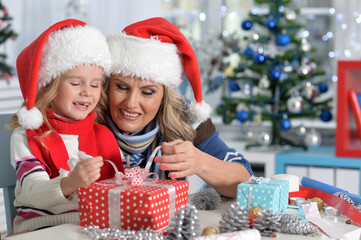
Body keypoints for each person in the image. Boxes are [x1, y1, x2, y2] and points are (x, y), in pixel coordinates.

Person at [103, 17, 253, 198]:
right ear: (108, 84)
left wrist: (200, 162)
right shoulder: (88, 115)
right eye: (121, 87)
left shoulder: (186, 117)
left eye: (148, 92)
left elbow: (247, 183)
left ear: (165, 95)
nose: (131, 103)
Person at [8, 19, 123, 233]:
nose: (87, 92)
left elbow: (118, 185)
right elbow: (33, 191)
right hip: (40, 228)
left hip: (91, 227)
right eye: (76, 83)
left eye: (95, 84)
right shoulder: (27, 136)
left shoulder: (103, 134)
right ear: (49, 86)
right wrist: (70, 182)